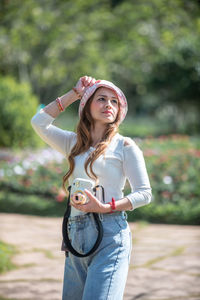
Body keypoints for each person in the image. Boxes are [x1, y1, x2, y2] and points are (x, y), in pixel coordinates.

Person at [31, 75, 152, 300]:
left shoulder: (125, 146)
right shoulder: (72, 143)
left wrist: (106, 207)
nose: (109, 105)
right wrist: (74, 94)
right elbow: (38, 122)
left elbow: (145, 194)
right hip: (74, 234)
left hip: (111, 235)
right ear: (87, 106)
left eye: (114, 101)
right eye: (102, 99)